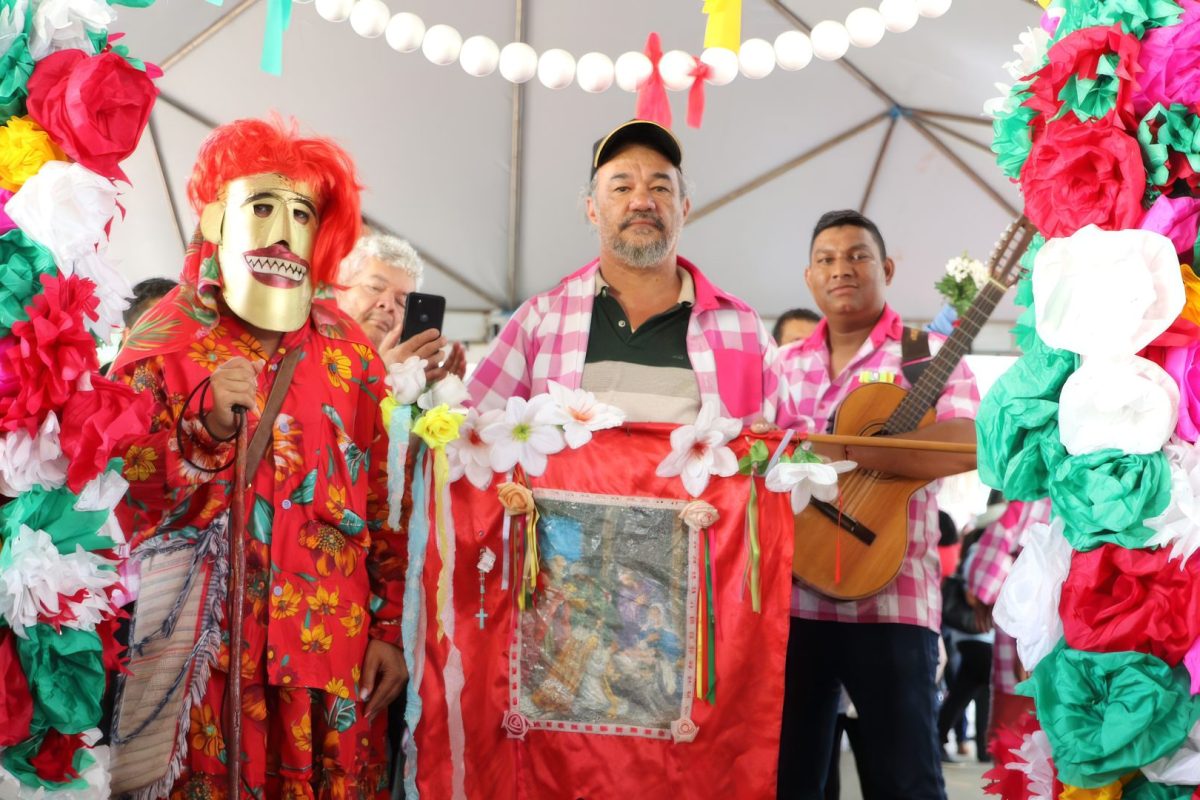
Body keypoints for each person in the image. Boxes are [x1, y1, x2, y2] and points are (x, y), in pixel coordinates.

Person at [109, 118, 407, 798]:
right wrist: (206, 427)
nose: (282, 230)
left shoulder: (351, 351)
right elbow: (117, 494)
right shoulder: (165, 339)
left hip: (327, 653)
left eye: (302, 212)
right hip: (201, 658)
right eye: (263, 206)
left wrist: (389, 627)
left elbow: (386, 496)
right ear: (218, 214)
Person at [775, 209, 980, 800]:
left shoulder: (925, 353)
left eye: (857, 255)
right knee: (790, 779)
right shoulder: (781, 364)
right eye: (826, 259)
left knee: (906, 780)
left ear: (886, 268)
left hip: (895, 599)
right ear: (809, 277)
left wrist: (859, 449)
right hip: (794, 597)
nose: (842, 268)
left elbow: (968, 442)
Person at [467, 119, 777, 425]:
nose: (642, 202)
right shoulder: (537, 321)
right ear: (592, 210)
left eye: (660, 188)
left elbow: (796, 442)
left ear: (684, 209)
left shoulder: (743, 328)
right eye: (622, 188)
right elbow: (471, 433)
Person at [334, 231, 465, 382]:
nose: (388, 304)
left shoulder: (410, 380)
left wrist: (430, 391)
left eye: (401, 301)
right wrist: (382, 373)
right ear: (339, 288)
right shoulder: (311, 350)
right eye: (375, 287)